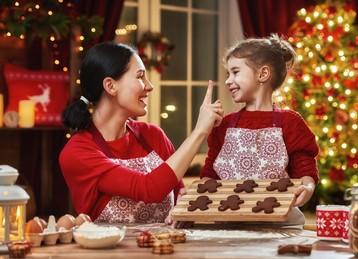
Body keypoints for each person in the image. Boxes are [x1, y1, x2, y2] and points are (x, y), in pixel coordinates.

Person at [59, 41, 223, 227]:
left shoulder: (153, 135)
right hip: (111, 254)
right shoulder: (78, 152)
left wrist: (184, 210)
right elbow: (149, 188)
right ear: (110, 86)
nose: (149, 86)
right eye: (140, 77)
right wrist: (200, 131)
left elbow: (179, 195)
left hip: (164, 250)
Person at [200, 34, 319, 225]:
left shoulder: (290, 122)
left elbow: (304, 169)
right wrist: (197, 192)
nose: (228, 81)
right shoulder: (224, 124)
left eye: (235, 72)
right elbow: (210, 174)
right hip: (228, 225)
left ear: (263, 74)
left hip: (280, 224)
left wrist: (307, 188)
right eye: (228, 74)